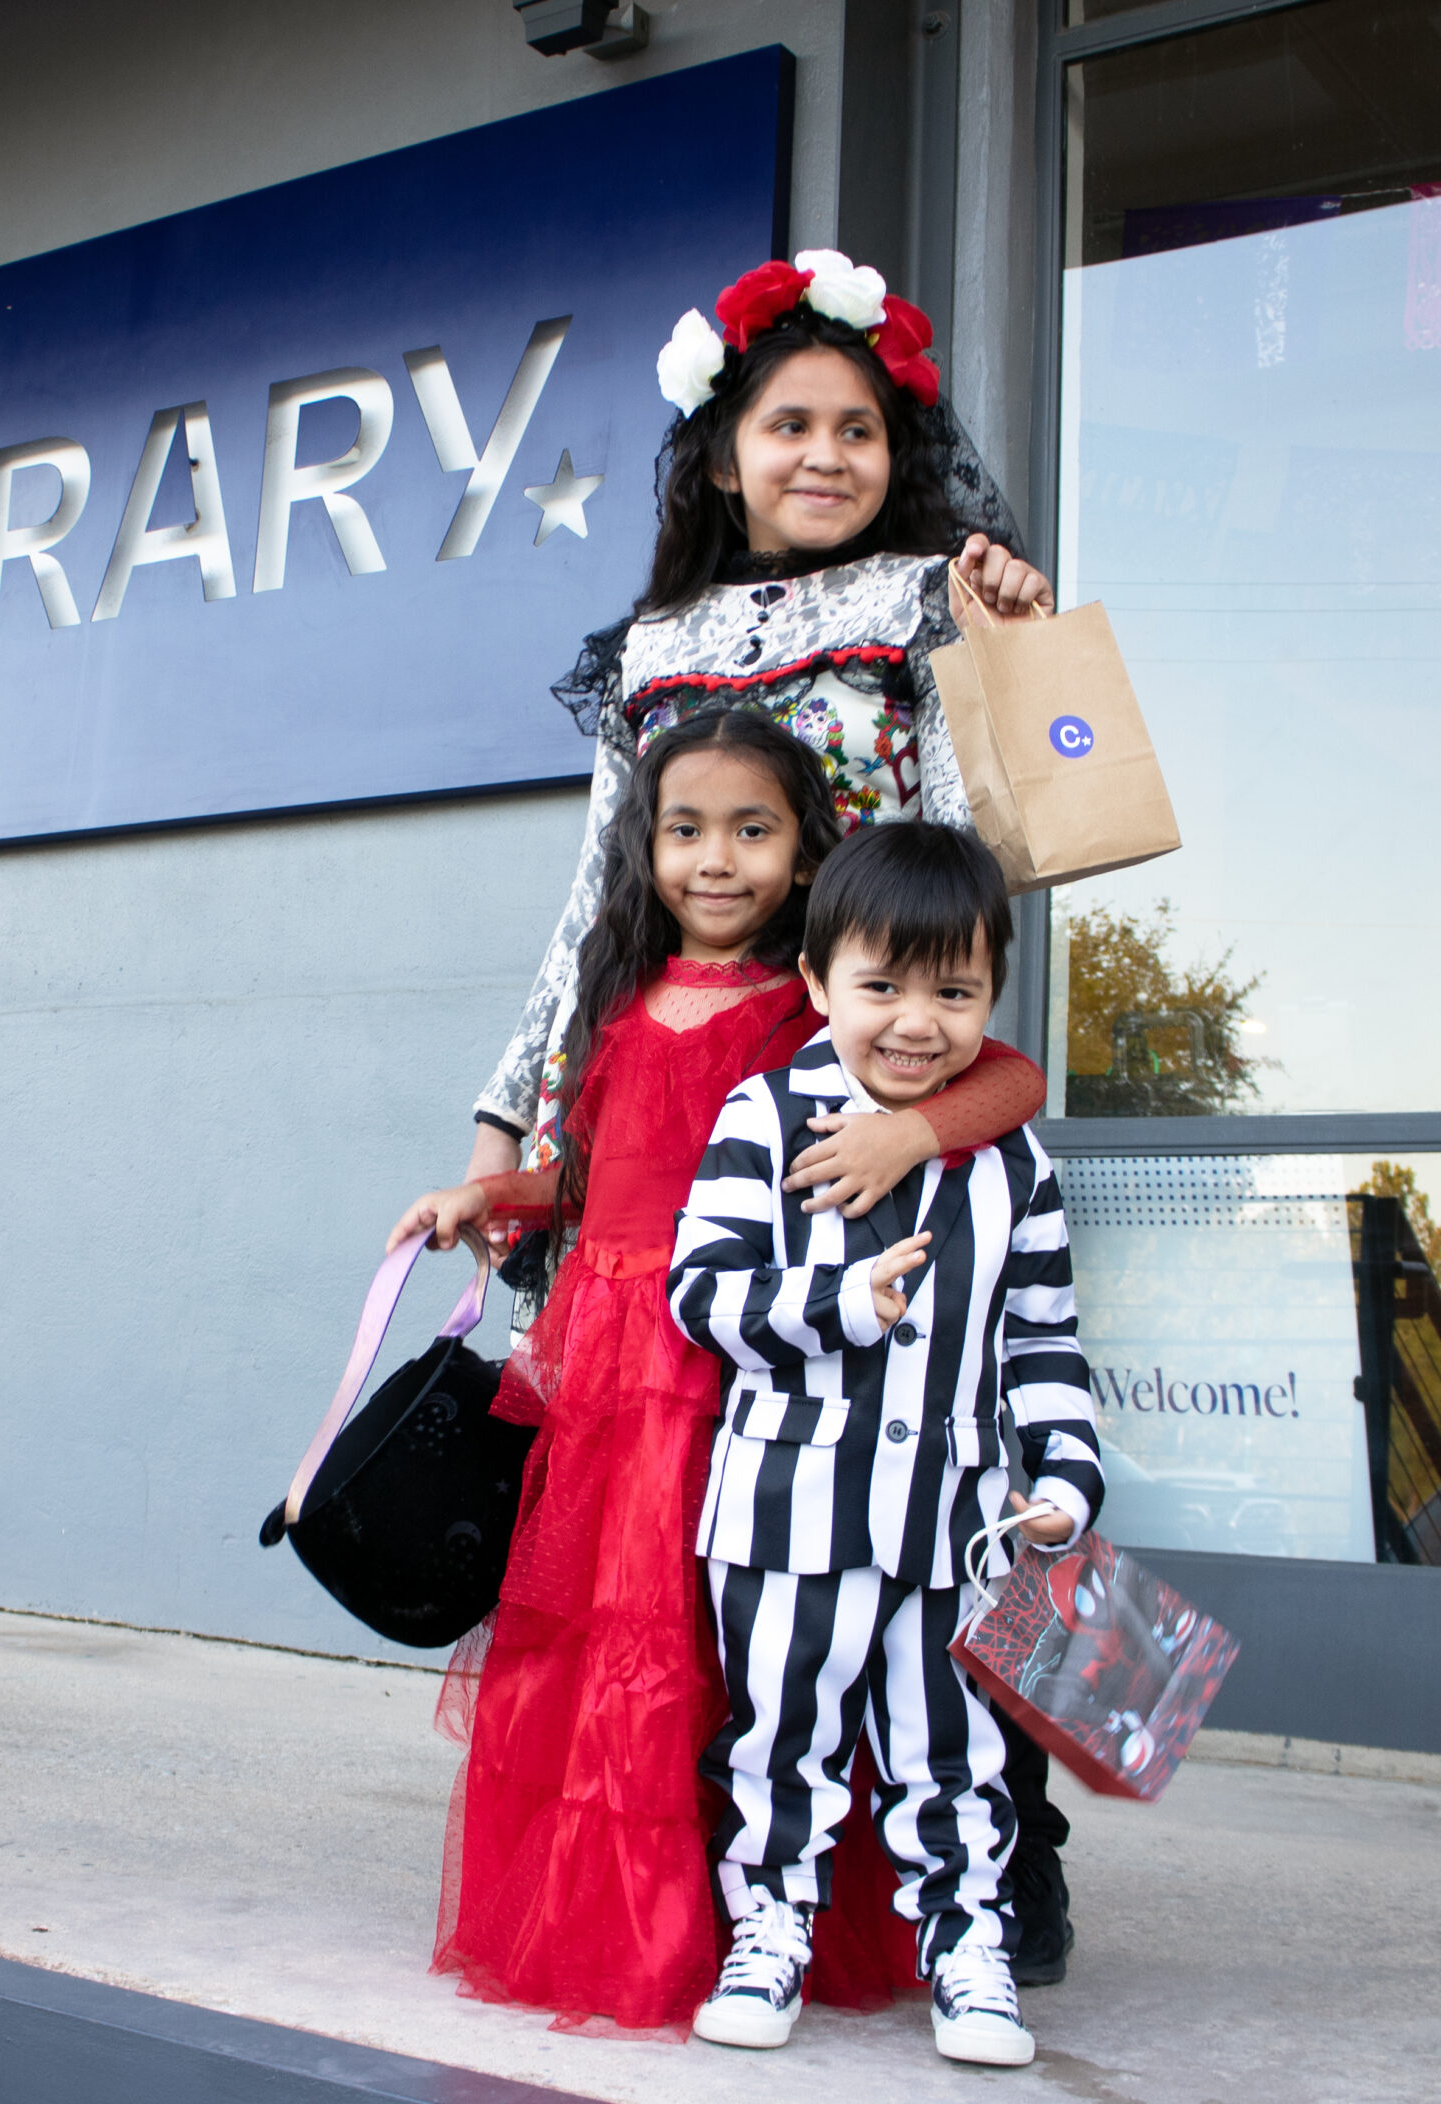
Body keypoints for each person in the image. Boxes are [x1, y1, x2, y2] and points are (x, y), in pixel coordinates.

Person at [464, 249, 1076, 1987]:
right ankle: (714, 1870)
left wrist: (1021, 642)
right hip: (676, 1128)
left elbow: (985, 875)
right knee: (708, 1532)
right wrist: (513, 1117)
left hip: (863, 1107)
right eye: (787, 423)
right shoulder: (658, 647)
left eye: (859, 425)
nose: (823, 451)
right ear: (720, 455)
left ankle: (991, 1859)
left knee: (915, 1506)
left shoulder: (938, 599)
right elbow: (594, 898)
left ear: (906, 447)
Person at [391, 709, 1044, 2035]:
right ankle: (655, 1930)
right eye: (685, 830)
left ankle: (774, 1917)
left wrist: (910, 1130)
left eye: (754, 830)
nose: (716, 860)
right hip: (612, 1367)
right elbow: (594, 1175)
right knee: (620, 1647)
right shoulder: (621, 1001)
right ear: (648, 848)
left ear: (807, 856)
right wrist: (491, 1192)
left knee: (761, 1649)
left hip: (749, 1370)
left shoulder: (822, 1007)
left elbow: (1011, 1082)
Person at [668, 821, 1103, 2069]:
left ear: (990, 996)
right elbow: (701, 1295)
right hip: (785, 1512)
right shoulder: (763, 1114)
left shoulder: (1012, 1159)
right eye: (881, 987)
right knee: (779, 1736)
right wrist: (841, 1305)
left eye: (955, 992)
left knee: (954, 1760)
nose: (917, 1022)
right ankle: (769, 1929)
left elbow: (1044, 1345)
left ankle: (967, 1951)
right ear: (815, 984)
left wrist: (1066, 1483)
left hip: (954, 1526)